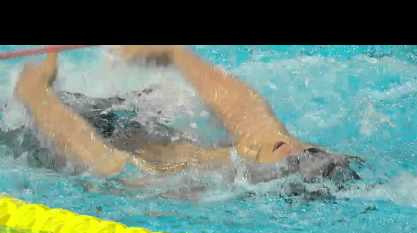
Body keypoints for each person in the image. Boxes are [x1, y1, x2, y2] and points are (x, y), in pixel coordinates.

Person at [13, 45, 361, 187]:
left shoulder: (167, 180)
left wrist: (33, 90)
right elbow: (243, 107)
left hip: (44, 141)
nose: (286, 140)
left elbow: (87, 153)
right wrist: (174, 54)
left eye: (288, 149)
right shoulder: (256, 158)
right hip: (121, 120)